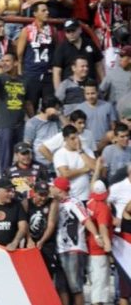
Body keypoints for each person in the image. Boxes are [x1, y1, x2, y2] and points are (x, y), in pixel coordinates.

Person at [50, 177, 103, 305]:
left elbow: (86, 220)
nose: (51, 189)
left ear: (60, 189)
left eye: (54, 187)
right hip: (60, 249)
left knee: (75, 287)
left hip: (74, 249)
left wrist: (96, 235)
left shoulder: (74, 202)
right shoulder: (55, 203)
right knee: (62, 287)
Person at [0, 50, 26, 172]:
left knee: (23, 159)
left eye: (7, 61)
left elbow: (28, 103)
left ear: (16, 63)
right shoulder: (0, 78)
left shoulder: (24, 80)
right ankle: (5, 184)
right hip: (4, 125)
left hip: (21, 125)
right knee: (5, 161)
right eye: (3, 61)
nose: (4, 63)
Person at [16, 3, 54, 117]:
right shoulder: (27, 30)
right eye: (43, 10)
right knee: (31, 104)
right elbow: (19, 53)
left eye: (47, 10)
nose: (47, 13)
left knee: (49, 106)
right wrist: (20, 71)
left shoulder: (52, 30)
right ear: (35, 13)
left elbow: (55, 49)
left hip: (47, 74)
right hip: (31, 73)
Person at [52, 19, 104, 90]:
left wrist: (104, 86)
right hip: (70, 90)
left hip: (90, 87)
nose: (70, 33)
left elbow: (99, 65)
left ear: (80, 29)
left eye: (73, 30)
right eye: (68, 31)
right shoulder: (61, 48)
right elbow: (57, 72)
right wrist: (58, 93)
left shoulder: (90, 43)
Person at [53, 125, 96, 203]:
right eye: (72, 138)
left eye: (77, 137)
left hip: (87, 196)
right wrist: (85, 169)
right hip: (69, 198)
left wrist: (80, 151)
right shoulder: (60, 154)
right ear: (65, 139)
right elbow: (65, 174)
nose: (77, 141)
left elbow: (95, 167)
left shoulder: (86, 150)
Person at [86, 180, 113, 305]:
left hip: (90, 245)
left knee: (95, 279)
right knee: (101, 281)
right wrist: (107, 245)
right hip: (99, 249)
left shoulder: (90, 201)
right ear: (106, 192)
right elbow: (103, 227)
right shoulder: (103, 207)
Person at [75, 80, 117, 148]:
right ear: (84, 94)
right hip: (87, 143)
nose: (90, 96)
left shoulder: (108, 106)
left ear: (97, 92)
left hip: (106, 143)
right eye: (87, 94)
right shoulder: (79, 108)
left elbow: (113, 127)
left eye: (93, 93)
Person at [24, 96, 62, 165]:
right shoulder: (32, 123)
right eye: (56, 110)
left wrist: (60, 114)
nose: (57, 112)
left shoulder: (57, 120)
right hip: (40, 163)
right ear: (49, 109)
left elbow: (69, 129)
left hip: (57, 161)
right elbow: (27, 143)